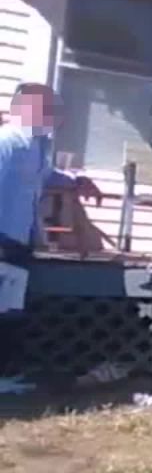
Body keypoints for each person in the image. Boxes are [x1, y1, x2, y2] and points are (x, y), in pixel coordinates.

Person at [1, 84, 100, 371]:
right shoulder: (7, 142)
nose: (54, 116)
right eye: (47, 110)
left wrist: (76, 181)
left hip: (19, 242)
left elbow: (45, 176)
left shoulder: (36, 146)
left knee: (9, 312)